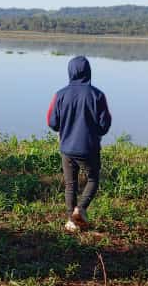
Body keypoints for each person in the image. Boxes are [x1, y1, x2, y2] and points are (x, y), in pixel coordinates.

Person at [47, 56, 112, 232]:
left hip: (67, 148)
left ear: (70, 71)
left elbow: (52, 122)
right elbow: (105, 125)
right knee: (93, 179)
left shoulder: (60, 94)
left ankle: (71, 221)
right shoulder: (97, 95)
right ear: (89, 71)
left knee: (70, 184)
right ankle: (80, 208)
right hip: (89, 148)